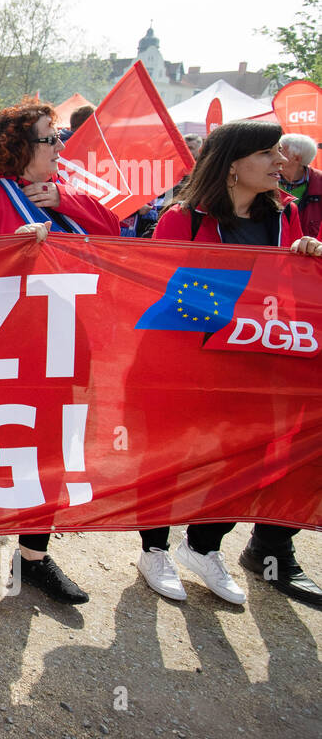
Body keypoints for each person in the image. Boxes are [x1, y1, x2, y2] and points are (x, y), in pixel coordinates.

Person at [0, 99, 120, 605]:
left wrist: (65, 202)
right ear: (20, 146)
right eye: (51, 138)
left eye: (59, 137)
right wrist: (12, 253)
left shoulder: (62, 191)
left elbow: (117, 237)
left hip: (60, 343)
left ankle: (33, 558)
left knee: (51, 449)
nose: (60, 146)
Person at [136, 119, 322, 607]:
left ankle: (203, 547)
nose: (282, 164)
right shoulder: (184, 219)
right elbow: (160, 294)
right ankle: (153, 550)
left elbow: (285, 293)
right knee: (169, 456)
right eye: (269, 154)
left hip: (252, 360)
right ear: (235, 166)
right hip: (184, 361)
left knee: (241, 456)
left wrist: (305, 258)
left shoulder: (286, 215)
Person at [279, 132, 321, 238]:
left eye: (280, 150)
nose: (275, 155)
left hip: (310, 252)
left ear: (297, 158)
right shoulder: (265, 180)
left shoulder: (319, 182)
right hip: (275, 251)